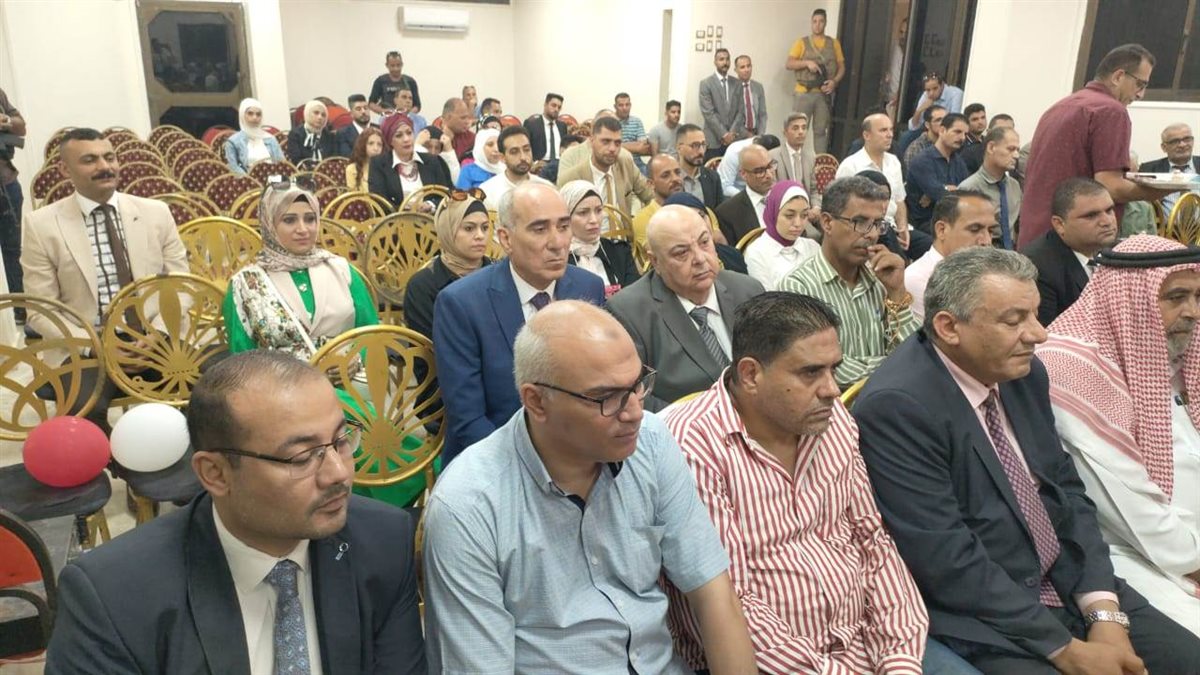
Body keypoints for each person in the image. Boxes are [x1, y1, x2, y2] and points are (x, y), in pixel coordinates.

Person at [853, 246, 1200, 674]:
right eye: (1014, 320)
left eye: (1035, 314)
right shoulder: (898, 407)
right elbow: (945, 558)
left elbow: (1068, 494)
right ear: (948, 327)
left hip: (1068, 580)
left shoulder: (1023, 371)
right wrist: (1067, 650)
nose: (1039, 334)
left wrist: (1104, 615)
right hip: (988, 614)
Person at [424, 300, 757, 674]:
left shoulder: (650, 442)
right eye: (606, 398)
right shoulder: (469, 505)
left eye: (637, 385)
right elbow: (479, 665)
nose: (634, 411)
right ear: (537, 401)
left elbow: (713, 594)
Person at [44, 351, 426, 674]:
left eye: (341, 441)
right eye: (302, 457)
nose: (338, 473)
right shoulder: (114, 595)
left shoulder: (382, 542)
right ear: (216, 473)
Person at [664, 291, 975, 674]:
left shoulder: (832, 421)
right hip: (772, 663)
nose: (832, 389)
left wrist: (898, 659)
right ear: (751, 375)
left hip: (863, 640)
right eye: (810, 373)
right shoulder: (694, 444)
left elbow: (872, 542)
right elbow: (727, 600)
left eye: (834, 369)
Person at [1041, 234, 1200, 638]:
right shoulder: (1071, 370)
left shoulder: (1177, 350)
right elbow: (1133, 511)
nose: (1192, 312)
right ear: (1130, 300)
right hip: (1130, 554)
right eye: (1176, 297)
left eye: (1198, 296)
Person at [21, 127, 187, 434]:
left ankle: (187, 463)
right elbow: (40, 311)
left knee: (209, 395)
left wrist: (159, 335)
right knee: (82, 415)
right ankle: (114, 461)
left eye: (109, 157)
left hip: (155, 339)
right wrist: (97, 347)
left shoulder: (155, 213)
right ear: (65, 170)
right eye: (90, 160)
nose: (104, 166)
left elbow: (181, 286)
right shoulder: (42, 225)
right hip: (85, 347)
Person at [433, 182, 605, 465]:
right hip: (496, 459)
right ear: (506, 238)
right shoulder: (462, 304)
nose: (558, 242)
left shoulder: (588, 287)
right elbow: (468, 419)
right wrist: (535, 468)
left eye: (563, 227)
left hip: (580, 453)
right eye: (539, 229)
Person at [1018, 43, 1176, 247]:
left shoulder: (1059, 107)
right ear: (1118, 76)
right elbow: (1110, 187)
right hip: (1074, 242)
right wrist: (1163, 189)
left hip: (1037, 237)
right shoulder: (1110, 110)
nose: (1140, 94)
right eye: (1140, 84)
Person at [608, 205, 764, 411]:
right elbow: (635, 395)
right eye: (682, 252)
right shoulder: (630, 312)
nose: (700, 258)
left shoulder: (748, 290)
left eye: (704, 242)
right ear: (654, 261)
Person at [779, 176, 915, 388]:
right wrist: (898, 367)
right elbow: (826, 370)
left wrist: (897, 293)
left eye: (877, 224)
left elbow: (914, 351)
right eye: (860, 222)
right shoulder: (798, 288)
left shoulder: (881, 280)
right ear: (827, 223)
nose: (872, 234)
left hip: (892, 397)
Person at [1023, 177, 1118, 326]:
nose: (1107, 221)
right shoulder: (1038, 268)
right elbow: (1044, 333)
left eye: (1109, 210)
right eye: (1091, 215)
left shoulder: (1114, 252)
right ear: (1059, 224)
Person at [404, 193, 491, 342]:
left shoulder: (501, 274)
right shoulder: (423, 286)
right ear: (447, 231)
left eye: (485, 228)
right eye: (469, 228)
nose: (480, 235)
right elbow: (432, 345)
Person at [905, 191, 997, 321]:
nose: (986, 241)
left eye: (991, 231)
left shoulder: (995, 275)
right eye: (975, 230)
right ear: (941, 230)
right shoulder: (917, 279)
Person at [556, 116, 654, 214]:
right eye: (606, 142)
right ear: (592, 141)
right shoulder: (572, 178)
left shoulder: (625, 164)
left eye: (617, 143)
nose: (612, 148)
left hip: (623, 224)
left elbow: (650, 196)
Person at [560, 180, 639, 297]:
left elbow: (636, 297)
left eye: (598, 210)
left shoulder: (619, 251)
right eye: (583, 213)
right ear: (566, 217)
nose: (594, 220)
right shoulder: (558, 258)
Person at [838, 112, 909, 239]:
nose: (890, 135)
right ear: (867, 135)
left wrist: (903, 227)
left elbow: (899, 201)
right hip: (866, 228)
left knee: (926, 243)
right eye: (883, 130)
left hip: (892, 226)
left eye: (891, 130)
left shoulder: (894, 162)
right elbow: (841, 207)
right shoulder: (850, 165)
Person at [786, 8, 844, 154]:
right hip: (803, 92)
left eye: (821, 21)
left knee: (821, 131)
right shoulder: (802, 42)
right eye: (815, 21)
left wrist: (834, 82)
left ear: (825, 23)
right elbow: (789, 63)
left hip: (823, 94)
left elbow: (841, 67)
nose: (817, 25)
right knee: (797, 130)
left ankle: (820, 162)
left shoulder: (834, 43)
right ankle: (794, 161)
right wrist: (806, 63)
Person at [743, 181, 820, 290]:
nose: (798, 223)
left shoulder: (812, 247)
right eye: (789, 216)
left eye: (804, 215)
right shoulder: (756, 253)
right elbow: (767, 298)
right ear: (773, 213)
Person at [367, 113, 453, 211]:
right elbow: (379, 203)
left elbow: (446, 194)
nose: (406, 139)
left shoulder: (432, 161)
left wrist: (430, 205)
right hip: (395, 219)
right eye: (399, 135)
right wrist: (409, 212)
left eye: (409, 133)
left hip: (431, 217)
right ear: (390, 141)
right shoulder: (379, 163)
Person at [959, 126, 1022, 249]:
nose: (1016, 155)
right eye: (1011, 149)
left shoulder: (1014, 186)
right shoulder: (969, 188)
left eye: (1017, 150)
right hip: (981, 252)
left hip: (1012, 251)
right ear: (991, 147)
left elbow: (1018, 224)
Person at [906, 112, 970, 232]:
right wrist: (945, 190)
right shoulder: (923, 160)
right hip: (925, 223)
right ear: (942, 130)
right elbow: (940, 195)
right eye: (957, 132)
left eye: (965, 134)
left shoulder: (958, 161)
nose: (962, 138)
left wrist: (942, 189)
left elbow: (967, 193)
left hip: (953, 220)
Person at [716, 143, 778, 248]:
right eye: (760, 171)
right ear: (744, 174)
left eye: (770, 166)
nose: (769, 175)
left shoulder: (787, 198)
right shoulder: (727, 213)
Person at [479, 125, 554, 210]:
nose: (523, 157)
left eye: (526, 149)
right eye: (514, 152)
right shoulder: (487, 192)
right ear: (502, 157)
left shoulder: (546, 188)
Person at [0, 86, 25, 311]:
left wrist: (5, 121)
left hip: (7, 183)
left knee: (13, 251)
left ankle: (21, 310)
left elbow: (21, 126)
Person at [1139, 123, 1200, 214]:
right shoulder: (1149, 169)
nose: (1182, 145)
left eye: (1187, 139)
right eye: (1175, 141)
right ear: (1164, 147)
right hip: (1164, 223)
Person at [632, 153, 686, 246]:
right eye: (666, 175)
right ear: (651, 184)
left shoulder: (698, 210)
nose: (675, 179)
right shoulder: (643, 220)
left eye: (677, 173)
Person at [699, 48, 743, 161]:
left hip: (733, 140)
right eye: (721, 59)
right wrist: (724, 135)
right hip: (713, 141)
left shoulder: (737, 83)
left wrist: (731, 134)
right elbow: (708, 113)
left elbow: (741, 111)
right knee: (711, 170)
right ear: (715, 62)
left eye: (727, 59)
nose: (725, 62)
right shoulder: (706, 84)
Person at [225, 97, 284, 175]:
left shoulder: (270, 139)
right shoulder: (233, 142)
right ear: (242, 115)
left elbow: (281, 164)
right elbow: (233, 167)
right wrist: (250, 179)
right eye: (250, 113)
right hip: (246, 180)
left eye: (258, 114)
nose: (254, 117)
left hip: (273, 178)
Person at [676, 122, 725, 210]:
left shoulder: (712, 177)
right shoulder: (671, 180)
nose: (701, 151)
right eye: (695, 145)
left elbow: (719, 212)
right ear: (679, 148)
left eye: (703, 145)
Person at [769, 113, 817, 199]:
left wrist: (816, 205)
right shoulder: (773, 156)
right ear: (785, 132)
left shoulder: (810, 156)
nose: (801, 132)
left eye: (804, 128)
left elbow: (814, 190)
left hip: (806, 204)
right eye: (795, 128)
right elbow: (772, 189)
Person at [368, 50, 421, 114]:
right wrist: (383, 111)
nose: (396, 69)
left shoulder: (410, 81)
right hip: (387, 117)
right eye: (392, 66)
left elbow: (417, 105)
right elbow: (371, 103)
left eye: (398, 65)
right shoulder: (380, 81)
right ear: (387, 65)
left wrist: (408, 115)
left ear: (402, 64)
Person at [523, 92, 568, 164]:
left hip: (560, 163)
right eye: (553, 105)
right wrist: (535, 164)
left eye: (559, 107)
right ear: (545, 105)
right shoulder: (531, 124)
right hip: (540, 163)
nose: (556, 109)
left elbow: (565, 147)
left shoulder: (562, 126)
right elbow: (525, 147)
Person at [287, 100, 335, 165]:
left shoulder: (329, 136)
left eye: (323, 115)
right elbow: (296, 159)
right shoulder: (295, 134)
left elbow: (333, 160)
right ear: (307, 114)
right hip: (303, 170)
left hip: (326, 170)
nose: (320, 117)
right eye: (316, 113)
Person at [615, 92, 651, 174]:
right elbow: (609, 146)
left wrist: (619, 145)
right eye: (621, 105)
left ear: (630, 105)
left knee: (650, 175)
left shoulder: (637, 121)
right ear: (615, 106)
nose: (624, 108)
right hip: (616, 163)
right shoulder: (610, 121)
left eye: (627, 105)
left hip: (636, 163)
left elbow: (642, 147)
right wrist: (635, 146)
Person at [733, 55, 767, 137]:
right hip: (738, 135)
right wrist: (747, 134)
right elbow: (732, 118)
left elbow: (762, 114)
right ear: (736, 70)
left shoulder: (758, 87)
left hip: (756, 133)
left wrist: (760, 135)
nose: (746, 70)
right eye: (742, 67)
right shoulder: (732, 89)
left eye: (748, 66)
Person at [344, 127, 383, 192]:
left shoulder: (387, 168)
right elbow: (353, 197)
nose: (376, 148)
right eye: (371, 143)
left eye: (379, 144)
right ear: (362, 145)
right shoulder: (352, 169)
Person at [335, 94, 373, 158]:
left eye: (366, 108)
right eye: (358, 109)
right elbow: (346, 156)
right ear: (351, 114)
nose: (363, 112)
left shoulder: (379, 129)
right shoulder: (343, 134)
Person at [439, 97, 475, 164]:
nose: (467, 122)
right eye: (463, 118)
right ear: (448, 117)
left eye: (467, 117)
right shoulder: (434, 136)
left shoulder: (471, 138)